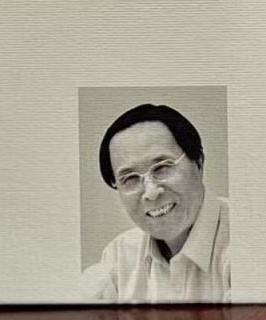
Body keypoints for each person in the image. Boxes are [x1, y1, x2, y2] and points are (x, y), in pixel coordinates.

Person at [80, 103, 231, 303]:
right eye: (130, 178)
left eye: (162, 168)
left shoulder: (249, 242)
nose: (151, 193)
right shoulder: (119, 255)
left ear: (199, 163)